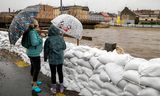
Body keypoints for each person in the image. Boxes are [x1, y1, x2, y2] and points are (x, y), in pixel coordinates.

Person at [44, 24, 66, 94]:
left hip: (52, 59)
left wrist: (45, 58)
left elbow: (46, 50)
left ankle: (53, 88)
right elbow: (64, 47)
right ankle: (61, 87)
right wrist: (61, 39)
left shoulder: (48, 39)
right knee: (60, 72)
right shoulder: (61, 38)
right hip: (60, 58)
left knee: (53, 73)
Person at [24, 19, 43, 92]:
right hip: (34, 53)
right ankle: (34, 85)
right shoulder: (32, 32)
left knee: (33, 66)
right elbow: (34, 43)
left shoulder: (32, 31)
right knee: (37, 68)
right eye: (37, 23)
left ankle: (33, 80)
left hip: (32, 52)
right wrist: (41, 39)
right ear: (34, 25)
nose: (38, 24)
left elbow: (34, 40)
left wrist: (39, 35)